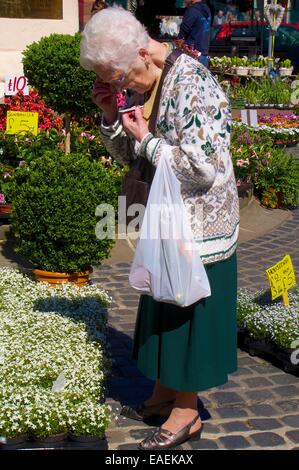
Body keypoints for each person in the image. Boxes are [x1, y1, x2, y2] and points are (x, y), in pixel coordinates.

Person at [80, 6, 239, 450]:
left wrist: (147, 139)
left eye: (121, 79)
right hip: (166, 217)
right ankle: (167, 391)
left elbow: (202, 169)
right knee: (163, 300)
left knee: (187, 309)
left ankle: (187, 410)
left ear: (142, 54)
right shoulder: (146, 78)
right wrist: (112, 115)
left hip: (200, 222)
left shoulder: (192, 82)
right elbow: (131, 156)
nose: (121, 86)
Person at [177, 0, 212, 68]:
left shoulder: (192, 10)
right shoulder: (207, 9)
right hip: (204, 55)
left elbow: (182, 34)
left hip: (192, 55)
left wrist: (178, 45)